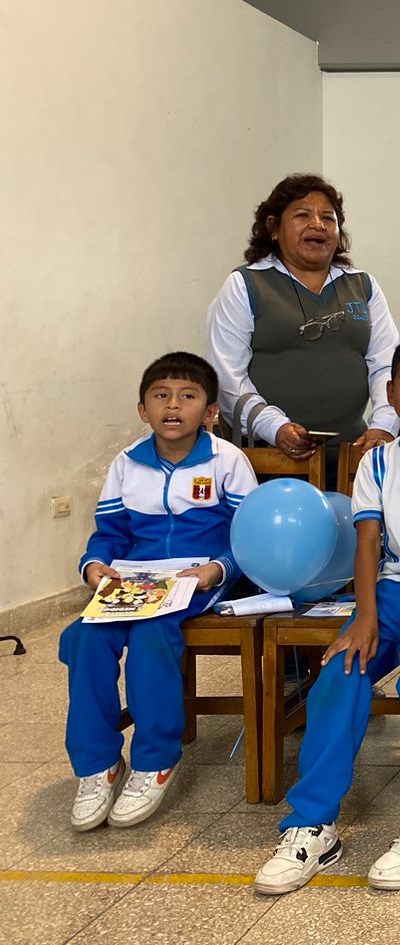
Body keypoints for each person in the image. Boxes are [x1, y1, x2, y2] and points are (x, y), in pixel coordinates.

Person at [255, 336, 400, 894]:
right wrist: (365, 616)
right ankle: (312, 823)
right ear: (389, 393)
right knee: (341, 670)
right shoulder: (377, 461)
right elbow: (367, 545)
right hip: (388, 590)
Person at [63, 353, 257, 832]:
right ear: (142, 409)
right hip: (132, 578)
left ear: (210, 412)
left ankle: (154, 759)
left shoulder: (227, 459)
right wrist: (94, 568)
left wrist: (217, 569)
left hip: (196, 579)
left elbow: (249, 534)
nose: (173, 406)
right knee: (84, 638)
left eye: (188, 396)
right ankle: (98, 764)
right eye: (161, 396)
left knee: (152, 636)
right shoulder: (127, 464)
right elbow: (108, 532)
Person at [206, 174, 400, 465]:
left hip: (354, 452)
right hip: (266, 453)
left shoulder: (363, 285)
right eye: (302, 215)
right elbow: (227, 378)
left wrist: (383, 426)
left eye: (328, 218)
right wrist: (274, 427)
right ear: (273, 228)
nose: (318, 225)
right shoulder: (245, 284)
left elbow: (386, 365)